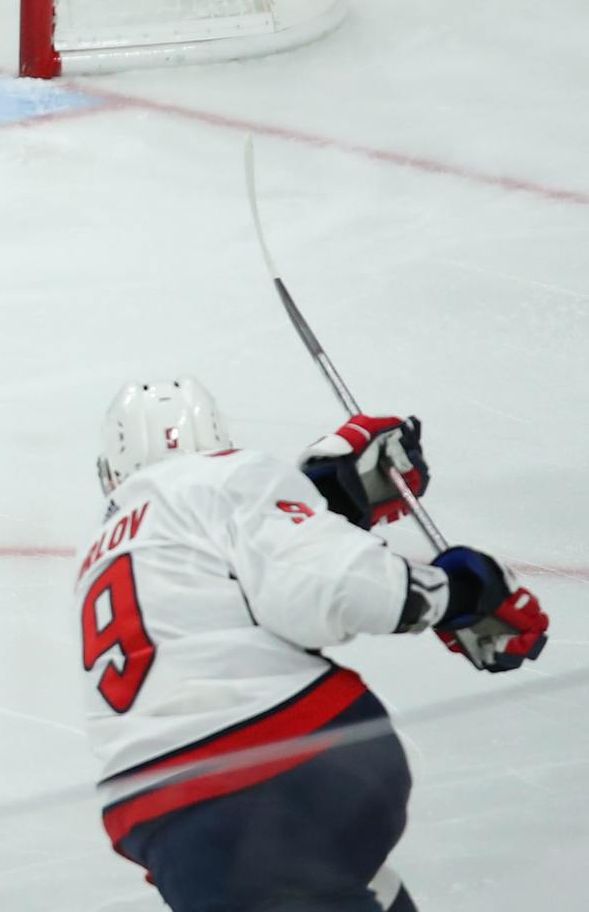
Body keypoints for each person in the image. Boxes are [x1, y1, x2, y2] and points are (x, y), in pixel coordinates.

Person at [77, 378, 550, 912]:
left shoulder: (109, 542)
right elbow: (327, 587)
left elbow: (234, 581)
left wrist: (322, 501)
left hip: (162, 819)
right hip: (276, 771)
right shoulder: (222, 476)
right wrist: (457, 593)